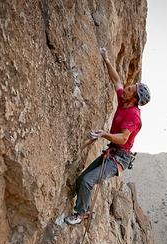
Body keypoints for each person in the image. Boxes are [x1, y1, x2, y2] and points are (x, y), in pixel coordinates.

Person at [64, 47, 151, 225]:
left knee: (88, 181)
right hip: (113, 152)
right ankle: (85, 210)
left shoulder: (133, 115)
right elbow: (116, 80)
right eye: (130, 87)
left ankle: (80, 215)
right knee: (82, 179)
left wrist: (105, 134)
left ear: (134, 99)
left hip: (120, 158)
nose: (126, 89)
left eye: (131, 89)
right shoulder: (124, 100)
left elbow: (123, 138)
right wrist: (106, 59)